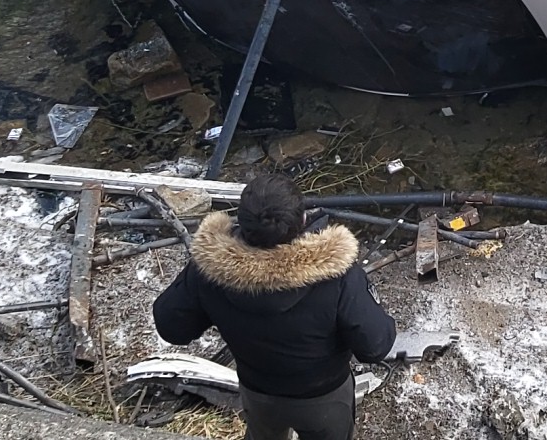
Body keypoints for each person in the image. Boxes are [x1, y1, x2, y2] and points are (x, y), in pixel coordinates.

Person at [154, 173, 395, 440]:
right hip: (323, 397)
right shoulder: (338, 277)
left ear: (241, 221)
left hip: (257, 390)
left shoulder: (207, 270)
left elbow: (171, 327)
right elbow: (376, 346)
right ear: (302, 220)